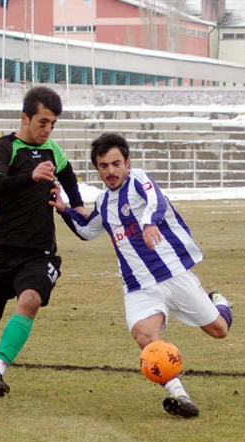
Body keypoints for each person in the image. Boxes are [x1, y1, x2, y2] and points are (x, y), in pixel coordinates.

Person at [50, 133, 233, 419]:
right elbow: (87, 230)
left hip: (171, 273)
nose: (110, 171)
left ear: (127, 162)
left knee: (219, 330)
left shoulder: (138, 180)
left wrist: (148, 224)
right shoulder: (103, 203)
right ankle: (179, 394)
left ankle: (220, 301)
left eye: (115, 163)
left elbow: (155, 200)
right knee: (146, 337)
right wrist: (64, 210)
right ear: (97, 168)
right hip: (138, 286)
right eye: (103, 166)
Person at [0, 86, 86, 400]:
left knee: (31, 299)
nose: (47, 130)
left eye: (53, 124)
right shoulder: (5, 147)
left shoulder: (53, 151)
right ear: (25, 117)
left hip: (39, 252)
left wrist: (78, 207)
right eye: (43, 122)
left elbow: (70, 179)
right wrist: (30, 177)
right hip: (0, 248)